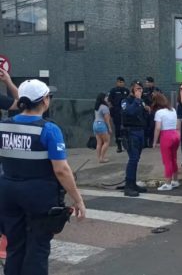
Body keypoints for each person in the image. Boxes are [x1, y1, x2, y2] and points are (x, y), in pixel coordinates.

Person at [0, 79, 86, 275]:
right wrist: (78, 199)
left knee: (14, 246)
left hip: (8, 194)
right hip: (39, 196)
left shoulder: (3, 126)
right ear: (45, 101)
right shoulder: (49, 130)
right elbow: (61, 170)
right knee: (37, 249)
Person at [121, 80, 149, 197]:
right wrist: (137, 100)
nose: (139, 90)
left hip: (140, 132)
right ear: (132, 89)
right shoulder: (125, 101)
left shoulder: (140, 102)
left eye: (140, 88)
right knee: (133, 159)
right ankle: (128, 186)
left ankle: (133, 183)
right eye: (137, 88)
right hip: (131, 133)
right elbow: (130, 112)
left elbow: (142, 116)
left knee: (136, 159)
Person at [152, 93, 180, 191]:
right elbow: (177, 124)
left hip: (166, 136)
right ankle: (175, 180)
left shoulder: (159, 112)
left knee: (167, 160)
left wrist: (155, 141)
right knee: (173, 159)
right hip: (175, 134)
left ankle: (168, 183)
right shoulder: (173, 110)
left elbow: (158, 128)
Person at [107, 76, 129, 153]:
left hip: (125, 113)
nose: (121, 83)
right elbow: (109, 102)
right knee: (117, 130)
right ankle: (119, 146)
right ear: (117, 82)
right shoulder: (113, 90)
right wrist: (112, 110)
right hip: (117, 113)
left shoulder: (126, 91)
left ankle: (127, 144)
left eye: (122, 82)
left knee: (126, 128)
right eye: (119, 82)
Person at [142, 76, 162, 148]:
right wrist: (145, 106)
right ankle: (144, 143)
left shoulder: (157, 90)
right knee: (145, 126)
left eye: (148, 82)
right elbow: (141, 100)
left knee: (152, 127)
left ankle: (151, 142)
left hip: (154, 111)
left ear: (152, 83)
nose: (147, 84)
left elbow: (160, 99)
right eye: (146, 82)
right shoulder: (143, 90)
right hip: (145, 111)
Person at [93, 92, 112, 163]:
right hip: (101, 125)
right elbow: (107, 119)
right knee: (107, 142)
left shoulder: (97, 107)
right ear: (103, 98)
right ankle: (102, 158)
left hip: (95, 124)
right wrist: (109, 128)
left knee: (99, 142)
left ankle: (99, 157)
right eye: (106, 97)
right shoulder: (104, 107)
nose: (107, 98)